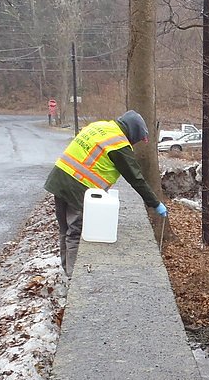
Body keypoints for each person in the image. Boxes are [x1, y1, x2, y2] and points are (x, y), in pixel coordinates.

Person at [44, 110, 167, 277]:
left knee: (64, 229)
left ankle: (66, 269)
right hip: (79, 188)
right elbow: (136, 179)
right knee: (75, 232)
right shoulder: (118, 143)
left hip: (59, 179)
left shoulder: (100, 126)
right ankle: (73, 277)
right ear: (132, 133)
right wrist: (155, 203)